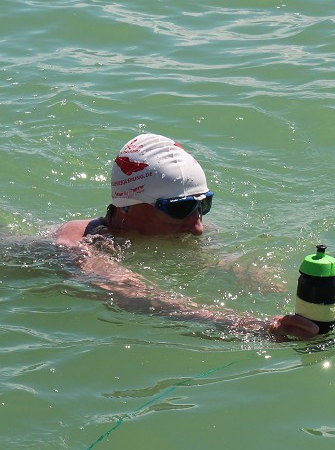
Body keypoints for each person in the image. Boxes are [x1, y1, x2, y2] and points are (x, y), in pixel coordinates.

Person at [53, 133, 320, 340]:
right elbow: (138, 298)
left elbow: (222, 261)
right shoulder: (79, 246)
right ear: (127, 206)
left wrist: (256, 278)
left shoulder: (184, 226)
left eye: (202, 205)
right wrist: (254, 329)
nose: (198, 227)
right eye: (178, 209)